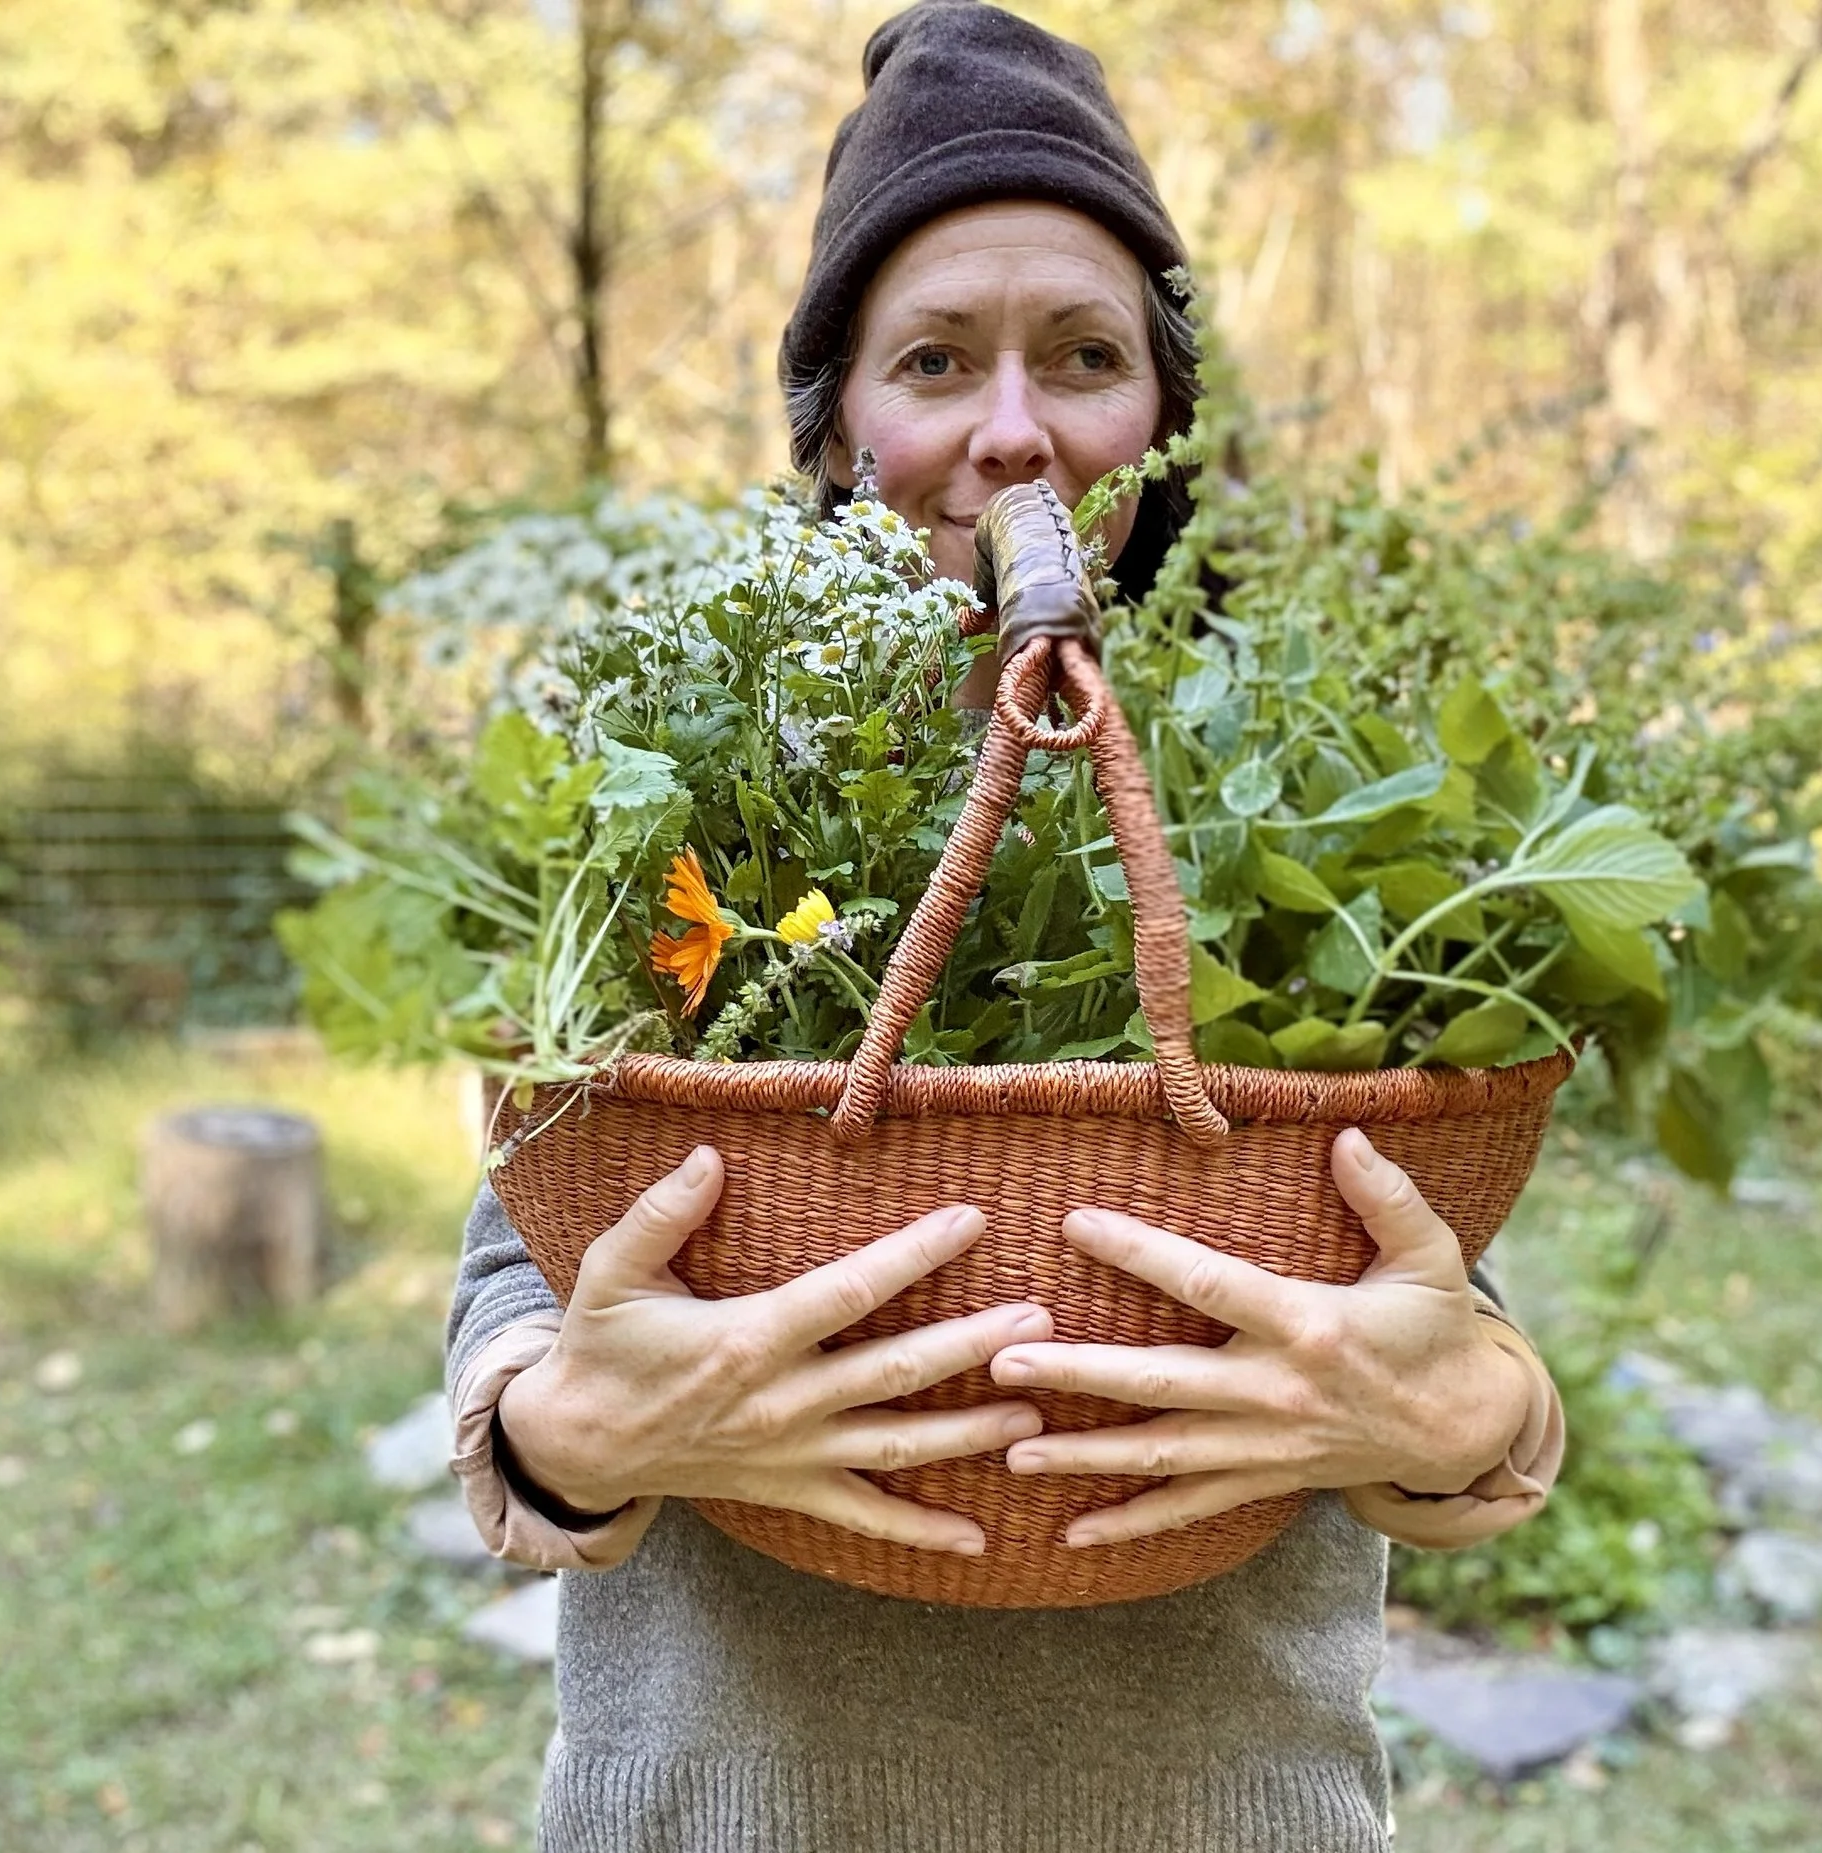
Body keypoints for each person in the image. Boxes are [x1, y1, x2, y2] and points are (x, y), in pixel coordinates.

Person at [447, 6, 1565, 1848]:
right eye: (938, 361)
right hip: (725, 1809)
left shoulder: (1305, 787)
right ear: (837, 428)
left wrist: (1470, 1421)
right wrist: (566, 1430)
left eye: (1086, 355)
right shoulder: (679, 798)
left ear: (1167, 418)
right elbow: (529, 1259)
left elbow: (1435, 1299)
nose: (1016, 432)